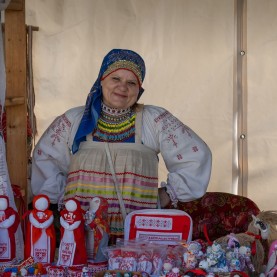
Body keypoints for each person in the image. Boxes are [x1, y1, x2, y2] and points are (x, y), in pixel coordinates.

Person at [30, 48, 212, 242]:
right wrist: (62, 198)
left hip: (138, 240)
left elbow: (196, 157)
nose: (123, 87)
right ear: (102, 81)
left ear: (139, 90)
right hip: (80, 236)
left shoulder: (154, 120)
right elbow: (45, 160)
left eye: (131, 82)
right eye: (115, 79)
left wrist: (168, 193)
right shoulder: (74, 120)